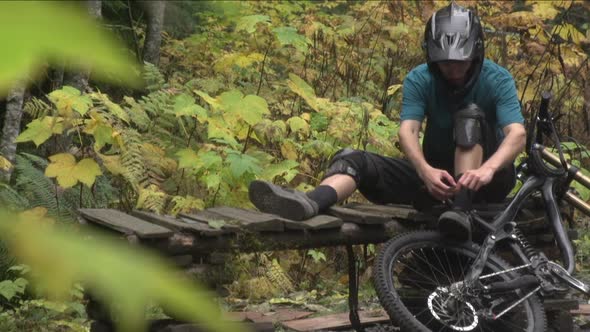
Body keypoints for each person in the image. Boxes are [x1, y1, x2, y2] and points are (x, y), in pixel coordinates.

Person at [248, 2, 526, 241]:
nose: (453, 69)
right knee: (353, 160)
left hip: (487, 182)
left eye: (460, 62)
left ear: (475, 54)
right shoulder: (420, 78)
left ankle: (460, 211)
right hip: (435, 180)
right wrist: (425, 171)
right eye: (445, 63)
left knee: (469, 116)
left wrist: (487, 170)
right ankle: (311, 202)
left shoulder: (496, 79)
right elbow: (408, 131)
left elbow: (516, 134)